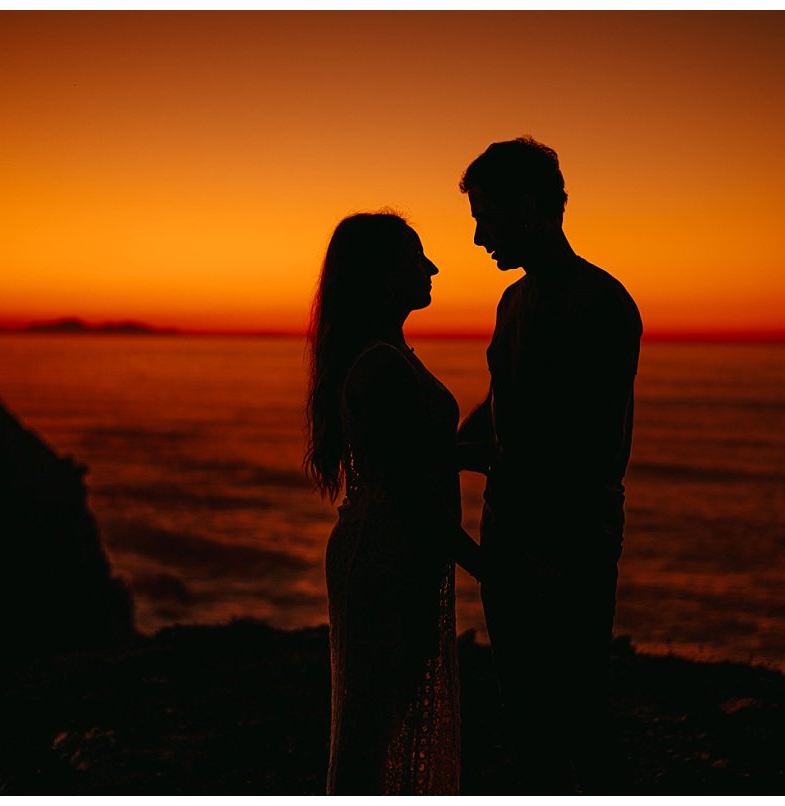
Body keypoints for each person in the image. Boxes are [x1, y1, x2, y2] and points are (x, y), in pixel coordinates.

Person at [457, 137, 642, 793]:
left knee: (578, 713)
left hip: (568, 543)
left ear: (533, 207)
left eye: (486, 217)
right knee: (524, 714)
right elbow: (501, 404)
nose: (479, 238)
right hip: (509, 534)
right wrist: (441, 447)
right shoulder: (514, 303)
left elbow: (582, 443)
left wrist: (486, 463)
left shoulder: (600, 303)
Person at [305, 211, 482, 795]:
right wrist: (486, 566)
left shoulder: (390, 354)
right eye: (415, 257)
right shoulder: (380, 363)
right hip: (386, 557)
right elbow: (409, 492)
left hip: (395, 552)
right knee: (371, 730)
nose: (431, 267)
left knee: (382, 717)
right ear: (380, 274)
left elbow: (411, 456)